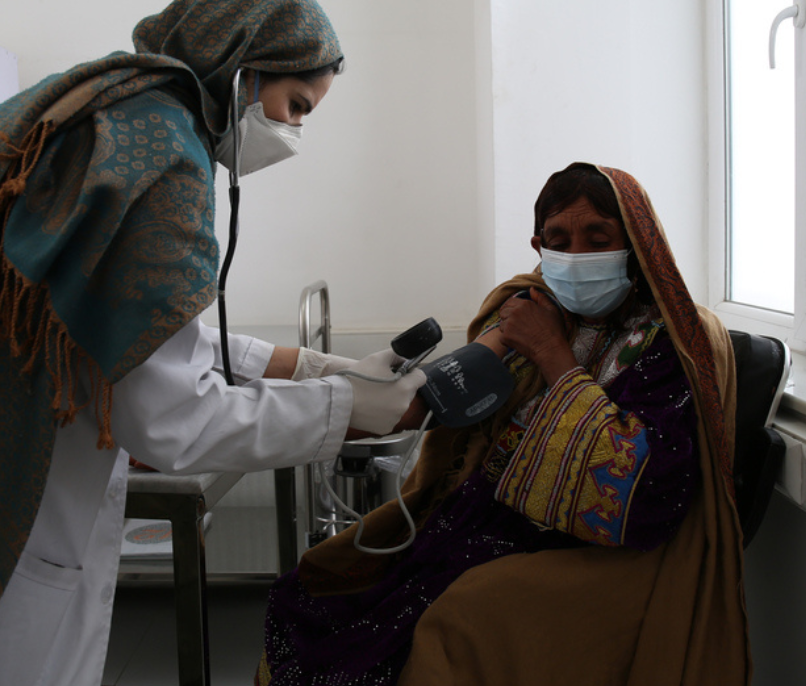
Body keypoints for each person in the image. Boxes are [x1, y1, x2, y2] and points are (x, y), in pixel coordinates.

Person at [0, 0, 426, 686]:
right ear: (242, 70)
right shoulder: (165, 159)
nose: (291, 134)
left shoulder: (100, 110)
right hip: (2, 496)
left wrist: (301, 366)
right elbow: (170, 417)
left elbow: (119, 322)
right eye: (294, 107)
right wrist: (352, 411)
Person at [259, 163, 748, 685]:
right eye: (559, 241)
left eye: (599, 238)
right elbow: (440, 398)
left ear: (636, 245)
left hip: (604, 552)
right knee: (314, 587)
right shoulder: (529, 307)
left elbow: (650, 496)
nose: (577, 256)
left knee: (450, 620)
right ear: (538, 246)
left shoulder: (678, 342)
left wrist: (551, 354)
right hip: (487, 521)